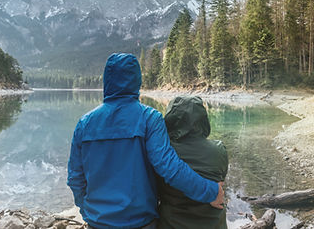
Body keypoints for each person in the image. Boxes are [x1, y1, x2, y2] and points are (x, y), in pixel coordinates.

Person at [67, 53, 224, 229]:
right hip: (141, 222)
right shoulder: (149, 118)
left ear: (107, 80)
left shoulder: (84, 124)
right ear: (137, 80)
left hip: (98, 223)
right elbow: (169, 167)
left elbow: (75, 178)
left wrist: (87, 210)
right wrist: (211, 192)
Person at [158, 96, 229, 229]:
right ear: (203, 119)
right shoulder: (219, 150)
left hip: (171, 224)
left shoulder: (163, 154)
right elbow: (221, 181)